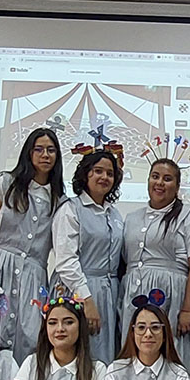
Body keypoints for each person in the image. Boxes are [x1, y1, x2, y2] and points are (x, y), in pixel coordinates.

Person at [0, 128, 66, 363]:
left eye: (51, 150)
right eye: (39, 149)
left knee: (29, 336)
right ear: (28, 153)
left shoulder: (60, 200)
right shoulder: (6, 182)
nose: (45, 155)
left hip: (33, 275)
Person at [120, 157, 190, 368]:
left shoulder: (189, 216)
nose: (159, 183)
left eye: (167, 179)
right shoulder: (132, 218)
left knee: (171, 353)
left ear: (177, 186)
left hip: (171, 296)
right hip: (134, 296)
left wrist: (188, 309)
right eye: (155, 177)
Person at [51, 148, 124, 364]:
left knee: (103, 358)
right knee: (78, 354)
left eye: (110, 173)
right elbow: (66, 260)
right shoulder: (71, 209)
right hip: (79, 290)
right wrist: (87, 300)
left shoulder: (114, 214)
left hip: (109, 292)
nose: (104, 177)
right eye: (98, 171)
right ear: (86, 174)